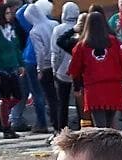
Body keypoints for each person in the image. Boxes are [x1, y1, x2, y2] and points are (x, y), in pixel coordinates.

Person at [70, 10, 122, 129]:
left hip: (94, 90)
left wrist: (77, 88)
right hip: (114, 88)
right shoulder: (114, 42)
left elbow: (75, 69)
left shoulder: (81, 46)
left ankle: (103, 146)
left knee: (100, 126)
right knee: (110, 123)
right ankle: (111, 146)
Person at [0, 2, 24, 139]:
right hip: (1, 69)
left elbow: (16, 47)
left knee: (18, 96)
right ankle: (6, 127)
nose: (10, 15)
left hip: (12, 67)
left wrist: (20, 64)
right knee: (5, 98)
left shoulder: (10, 28)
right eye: (7, 13)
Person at [13, 1, 50, 134]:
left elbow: (20, 14)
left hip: (32, 61)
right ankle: (47, 121)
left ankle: (41, 123)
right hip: (47, 62)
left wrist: (28, 4)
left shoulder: (33, 28)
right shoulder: (52, 23)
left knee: (36, 93)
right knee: (47, 93)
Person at [25, 0, 59, 135]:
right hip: (57, 62)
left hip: (45, 65)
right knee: (58, 95)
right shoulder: (54, 24)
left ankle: (54, 124)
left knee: (47, 96)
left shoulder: (34, 31)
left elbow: (39, 51)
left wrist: (39, 69)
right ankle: (61, 122)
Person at [50, 2, 80, 133]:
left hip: (62, 71)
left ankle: (61, 129)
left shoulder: (58, 29)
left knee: (62, 102)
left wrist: (54, 69)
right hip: (79, 71)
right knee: (80, 101)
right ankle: (82, 125)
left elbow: (55, 52)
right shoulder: (81, 28)